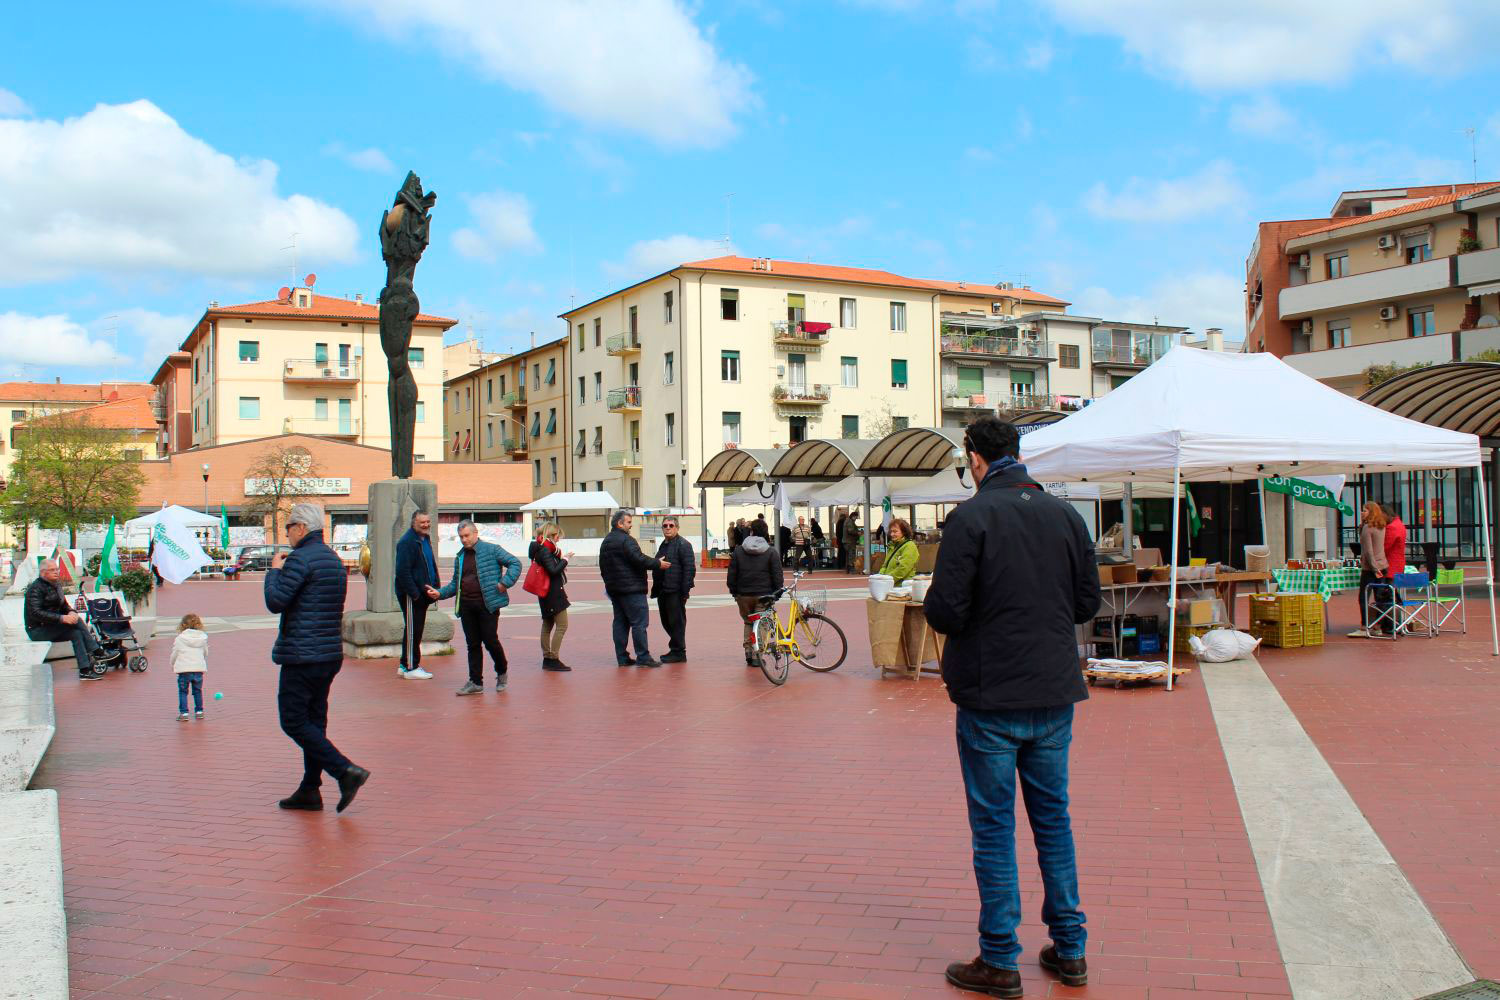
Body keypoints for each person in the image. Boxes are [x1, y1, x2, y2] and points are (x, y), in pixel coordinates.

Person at [922, 416, 1101, 997]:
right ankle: (1069, 948)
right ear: (1015, 453)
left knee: (994, 826)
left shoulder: (971, 518)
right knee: (1054, 819)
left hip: (988, 694)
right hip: (1053, 690)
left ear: (974, 457)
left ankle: (1000, 959)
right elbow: (1086, 602)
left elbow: (944, 611)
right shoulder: (1065, 515)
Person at [265, 503, 369, 813]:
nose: (287, 535)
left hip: (302, 653)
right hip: (328, 653)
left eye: (288, 529)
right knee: (314, 721)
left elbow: (276, 601)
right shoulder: (333, 560)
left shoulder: (299, 560)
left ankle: (345, 771)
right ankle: (310, 789)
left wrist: (273, 571)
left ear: (300, 528)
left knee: (294, 720)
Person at [438, 520, 522, 695]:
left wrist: (505, 583)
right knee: (473, 644)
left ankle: (502, 671)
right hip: (467, 606)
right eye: (461, 537)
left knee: (490, 641)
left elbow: (515, 563)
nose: (464, 540)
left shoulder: (492, 549)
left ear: (475, 533)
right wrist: (439, 594)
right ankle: (476, 682)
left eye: (467, 536)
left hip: (487, 605)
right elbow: (455, 584)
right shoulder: (460, 556)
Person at [599, 510, 669, 667]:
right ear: (620, 524)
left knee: (620, 623)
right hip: (632, 589)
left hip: (615, 590)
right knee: (639, 623)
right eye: (629, 522)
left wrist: (610, 585)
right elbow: (639, 559)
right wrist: (658, 564)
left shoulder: (606, 541)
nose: (631, 525)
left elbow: (603, 567)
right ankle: (643, 657)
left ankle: (622, 657)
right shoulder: (627, 540)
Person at [25, 559, 106, 680]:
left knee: (76, 633)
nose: (56, 572)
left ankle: (84, 670)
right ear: (43, 573)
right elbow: (36, 613)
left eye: (57, 569)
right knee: (77, 622)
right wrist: (62, 618)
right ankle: (96, 650)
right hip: (37, 630)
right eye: (52, 570)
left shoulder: (56, 585)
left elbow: (64, 605)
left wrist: (71, 612)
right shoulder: (35, 589)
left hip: (52, 627)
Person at [393, 511, 441, 680]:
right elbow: (402, 572)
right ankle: (411, 667)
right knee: (414, 630)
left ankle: (404, 664)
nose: (426, 525)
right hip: (412, 594)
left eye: (428, 522)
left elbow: (431, 563)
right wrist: (415, 594)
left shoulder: (425, 539)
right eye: (422, 522)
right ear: (413, 522)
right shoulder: (407, 542)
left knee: (415, 629)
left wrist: (436, 585)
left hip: (424, 592)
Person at [728, 529, 783, 667]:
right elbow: (777, 575)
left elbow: (732, 574)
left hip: (743, 594)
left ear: (751, 532)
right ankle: (757, 655)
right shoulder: (771, 551)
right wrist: (777, 593)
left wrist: (734, 592)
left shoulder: (739, 551)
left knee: (748, 622)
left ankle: (748, 651)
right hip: (763, 595)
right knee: (762, 624)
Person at [651, 517, 697, 662]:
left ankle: (678, 651)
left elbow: (689, 569)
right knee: (666, 621)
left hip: (675, 590)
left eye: (671, 525)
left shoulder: (684, 544)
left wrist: (685, 592)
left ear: (677, 527)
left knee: (676, 621)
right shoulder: (663, 545)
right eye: (665, 526)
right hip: (663, 590)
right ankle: (676, 647)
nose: (668, 528)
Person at [1348, 501, 1389, 639]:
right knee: (1380, 598)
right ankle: (1378, 626)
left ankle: (1364, 626)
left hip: (1371, 568)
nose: (1362, 513)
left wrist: (1373, 567)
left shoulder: (1367, 528)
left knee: (1363, 597)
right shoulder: (1381, 526)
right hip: (1383, 565)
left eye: (1364, 510)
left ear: (1371, 512)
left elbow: (1368, 551)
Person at [536, 522, 572, 671]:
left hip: (545, 592)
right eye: (558, 537)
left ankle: (547, 658)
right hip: (553, 593)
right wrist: (565, 560)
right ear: (552, 535)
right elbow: (553, 570)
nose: (559, 540)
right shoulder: (546, 550)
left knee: (547, 625)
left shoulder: (541, 548)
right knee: (562, 625)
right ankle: (553, 658)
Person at [170, 613, 209, 721]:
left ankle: (184, 713)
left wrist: (172, 663)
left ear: (182, 625)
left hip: (184, 669)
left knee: (183, 691)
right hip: (198, 669)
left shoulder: (180, 638)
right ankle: (199, 711)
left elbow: (175, 653)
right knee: (197, 691)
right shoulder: (202, 638)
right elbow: (205, 652)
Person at [882, 518, 919, 585]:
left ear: (904, 532)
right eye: (891, 531)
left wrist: (887, 580)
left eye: (895, 531)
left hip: (902, 587)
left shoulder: (909, 546)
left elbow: (903, 568)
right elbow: (885, 565)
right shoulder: (892, 546)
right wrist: (880, 577)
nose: (892, 534)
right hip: (890, 585)